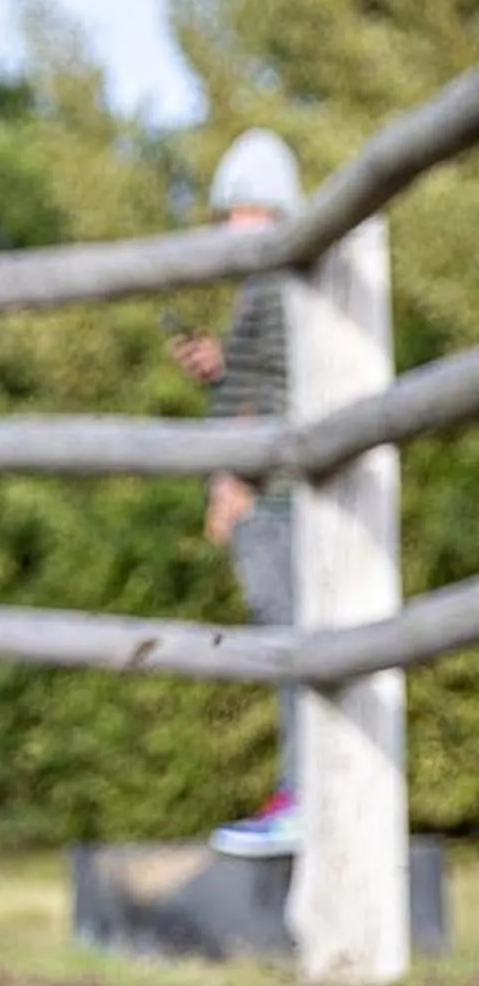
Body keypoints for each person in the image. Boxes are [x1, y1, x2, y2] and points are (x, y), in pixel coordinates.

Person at [170, 129, 301, 855]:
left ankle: (304, 792)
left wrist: (233, 480)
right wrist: (220, 370)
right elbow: (260, 380)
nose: (228, 226)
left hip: (276, 499)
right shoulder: (273, 288)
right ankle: (302, 788)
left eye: (239, 210)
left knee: (291, 642)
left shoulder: (274, 286)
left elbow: (272, 392)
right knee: (290, 641)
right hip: (276, 490)